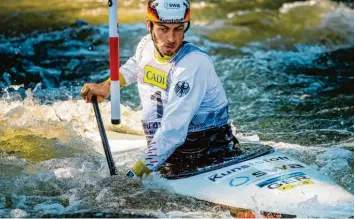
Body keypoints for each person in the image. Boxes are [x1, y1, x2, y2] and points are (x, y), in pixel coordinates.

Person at [80, 0, 239, 178]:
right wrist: (107, 86)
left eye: (178, 29)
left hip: (206, 153)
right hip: (166, 150)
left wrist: (134, 176)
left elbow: (173, 131)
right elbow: (136, 65)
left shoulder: (193, 64)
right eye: (163, 29)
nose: (171, 39)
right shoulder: (146, 45)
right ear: (149, 25)